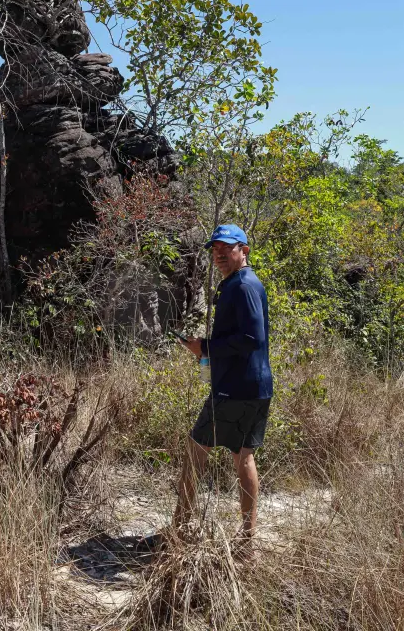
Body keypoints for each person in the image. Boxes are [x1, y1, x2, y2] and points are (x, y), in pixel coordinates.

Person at [174, 223, 273, 561]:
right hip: (255, 387)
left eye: (226, 248)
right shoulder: (241, 283)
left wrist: (206, 347)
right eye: (215, 248)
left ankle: (179, 531)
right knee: (243, 455)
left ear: (244, 250)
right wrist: (206, 350)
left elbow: (251, 339)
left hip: (237, 389)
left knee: (195, 451)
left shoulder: (243, 286)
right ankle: (247, 542)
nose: (219, 253)